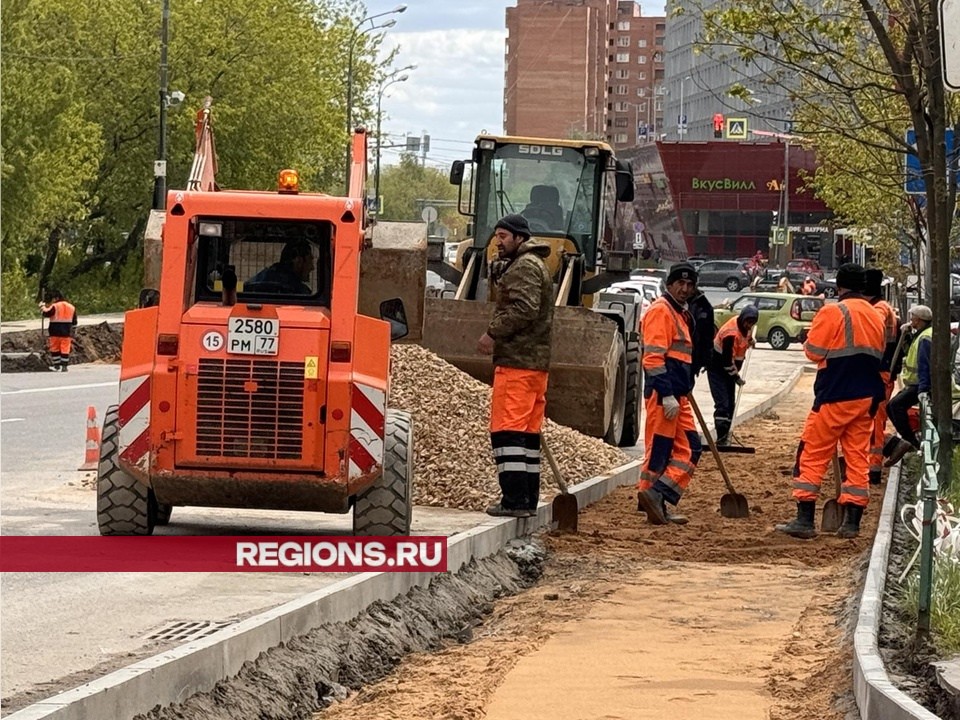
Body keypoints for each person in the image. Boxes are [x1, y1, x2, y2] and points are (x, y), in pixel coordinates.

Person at [776, 263, 884, 539]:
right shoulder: (876, 315)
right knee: (857, 455)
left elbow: (814, 352)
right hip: (867, 396)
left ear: (839, 286)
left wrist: (806, 339)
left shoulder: (833, 311)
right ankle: (852, 523)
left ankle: (804, 519)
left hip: (835, 393)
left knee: (812, 451)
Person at [477, 214, 554, 518]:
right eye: (497, 235)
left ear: (520, 238)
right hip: (534, 364)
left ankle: (513, 500)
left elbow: (524, 308)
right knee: (527, 436)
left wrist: (492, 333)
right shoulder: (534, 265)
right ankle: (526, 500)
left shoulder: (524, 267)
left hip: (518, 363)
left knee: (507, 431)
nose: (499, 241)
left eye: (504, 236)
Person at [636, 262, 702, 526]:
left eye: (689, 285)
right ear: (670, 284)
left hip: (676, 395)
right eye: (680, 284)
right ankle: (654, 498)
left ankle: (654, 498)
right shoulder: (661, 311)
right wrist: (666, 394)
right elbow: (653, 358)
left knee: (686, 448)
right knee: (661, 452)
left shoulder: (678, 313)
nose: (685, 289)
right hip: (664, 397)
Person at [884, 305, 933, 466]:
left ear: (918, 320)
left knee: (895, 406)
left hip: (920, 384)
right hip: (916, 383)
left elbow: (924, 365)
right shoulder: (921, 334)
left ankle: (911, 442)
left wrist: (923, 389)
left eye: (913, 317)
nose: (911, 320)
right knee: (892, 406)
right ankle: (910, 440)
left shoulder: (925, 338)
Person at [864, 268, 900, 484]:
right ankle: (889, 447)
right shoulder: (882, 307)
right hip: (880, 371)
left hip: (880, 372)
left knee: (876, 422)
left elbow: (870, 333)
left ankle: (874, 467)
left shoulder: (879, 310)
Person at [707, 305, 759, 446]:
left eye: (752, 322)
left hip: (729, 371)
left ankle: (726, 436)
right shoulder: (730, 333)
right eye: (747, 321)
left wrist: (750, 342)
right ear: (742, 318)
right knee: (722, 404)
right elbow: (726, 360)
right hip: (717, 369)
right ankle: (721, 436)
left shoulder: (746, 329)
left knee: (731, 404)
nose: (749, 325)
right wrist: (736, 378)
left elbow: (742, 343)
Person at [247, 239, 314, 294]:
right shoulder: (300, 292)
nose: (312, 267)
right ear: (299, 261)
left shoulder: (261, 278)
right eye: (310, 261)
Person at [39, 289, 78, 372]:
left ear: (56, 298)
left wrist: (42, 307)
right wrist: (74, 330)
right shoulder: (71, 307)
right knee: (65, 349)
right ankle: (64, 366)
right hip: (66, 332)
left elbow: (47, 313)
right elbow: (74, 321)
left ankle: (57, 365)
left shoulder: (55, 306)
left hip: (55, 331)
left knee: (55, 348)